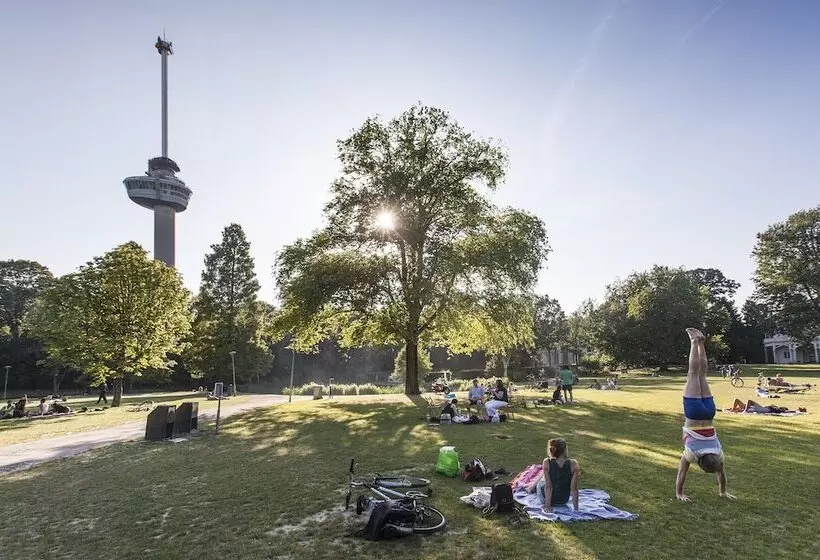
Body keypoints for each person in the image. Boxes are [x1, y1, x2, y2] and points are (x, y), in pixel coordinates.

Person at [676, 328, 735, 502]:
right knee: (693, 374)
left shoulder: (718, 454)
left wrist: (723, 491)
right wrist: (679, 493)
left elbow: (721, 473)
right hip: (693, 413)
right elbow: (682, 473)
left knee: (702, 375)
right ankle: (695, 342)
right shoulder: (692, 454)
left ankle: (701, 342)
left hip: (709, 412)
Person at [525, 438, 580, 512]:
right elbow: (574, 489)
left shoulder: (547, 462)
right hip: (563, 500)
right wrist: (576, 510)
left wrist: (548, 506)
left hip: (545, 498)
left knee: (544, 475)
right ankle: (531, 487)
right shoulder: (574, 464)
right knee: (546, 473)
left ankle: (531, 487)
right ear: (565, 450)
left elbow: (548, 487)